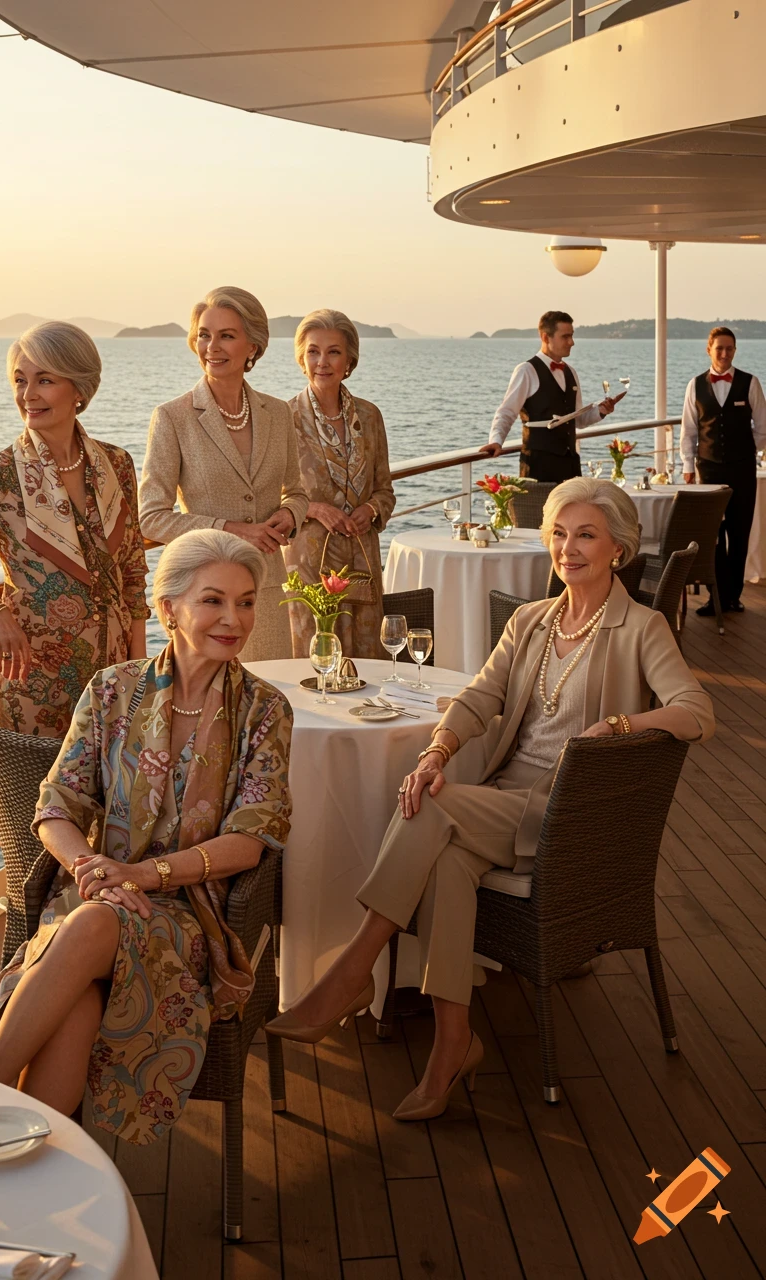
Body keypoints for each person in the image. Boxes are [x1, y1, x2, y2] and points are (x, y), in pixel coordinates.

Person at [267, 478, 713, 1121]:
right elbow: (479, 698)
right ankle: (454, 1043)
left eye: (586, 534)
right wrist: (434, 753)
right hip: (508, 798)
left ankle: (352, 970)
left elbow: (697, 713)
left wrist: (619, 726)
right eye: (559, 533)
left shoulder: (640, 626)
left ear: (618, 546)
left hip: (570, 808)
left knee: (436, 806)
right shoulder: (534, 619)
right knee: (445, 850)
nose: (569, 547)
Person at [0, 529, 293, 1142]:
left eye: (247, 601)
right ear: (168, 608)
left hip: (189, 916)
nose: (235, 619)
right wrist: (92, 868)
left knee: (94, 928)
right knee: (81, 999)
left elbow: (251, 841)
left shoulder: (264, 709)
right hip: (93, 895)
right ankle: (24, 1171)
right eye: (214, 601)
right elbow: (55, 807)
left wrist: (140, 876)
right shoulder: (111, 690)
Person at [0, 321, 149, 737]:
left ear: (80, 389)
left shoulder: (116, 465)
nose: (27, 394)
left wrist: (141, 675)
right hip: (35, 685)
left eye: (45, 380)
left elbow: (132, 577)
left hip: (114, 681)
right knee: (37, 803)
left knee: (116, 800)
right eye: (20, 380)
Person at [139, 286, 309, 661]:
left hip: (264, 591)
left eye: (226, 336)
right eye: (204, 335)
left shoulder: (279, 413)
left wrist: (289, 515)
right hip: (202, 597)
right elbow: (151, 519)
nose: (211, 347)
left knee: (268, 703)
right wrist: (231, 529)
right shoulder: (173, 417)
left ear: (253, 346)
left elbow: (296, 491)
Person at [284, 309, 395, 658]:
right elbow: (270, 496)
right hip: (308, 561)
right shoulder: (283, 418)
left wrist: (370, 508)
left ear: (349, 359)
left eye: (333, 351)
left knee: (366, 662)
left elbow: (385, 490)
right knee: (312, 657)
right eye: (313, 351)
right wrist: (315, 509)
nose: (322, 361)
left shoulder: (370, 416)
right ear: (302, 358)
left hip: (362, 559)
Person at [680, 326, 766, 615]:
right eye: (720, 348)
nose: (725, 353)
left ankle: (733, 597)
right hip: (708, 471)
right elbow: (688, 431)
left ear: (735, 350)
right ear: (709, 349)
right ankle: (714, 596)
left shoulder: (750, 383)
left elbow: (763, 429)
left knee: (739, 533)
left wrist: (745, 450)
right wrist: (687, 466)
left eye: (730, 348)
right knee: (712, 535)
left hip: (743, 470)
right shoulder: (695, 385)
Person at [481, 311, 618, 481]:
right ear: (545, 337)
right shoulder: (526, 370)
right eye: (565, 337)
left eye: (572, 336)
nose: (572, 342)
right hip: (538, 466)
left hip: (571, 465)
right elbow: (506, 412)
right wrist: (496, 441)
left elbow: (578, 419)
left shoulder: (571, 372)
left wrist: (601, 411)